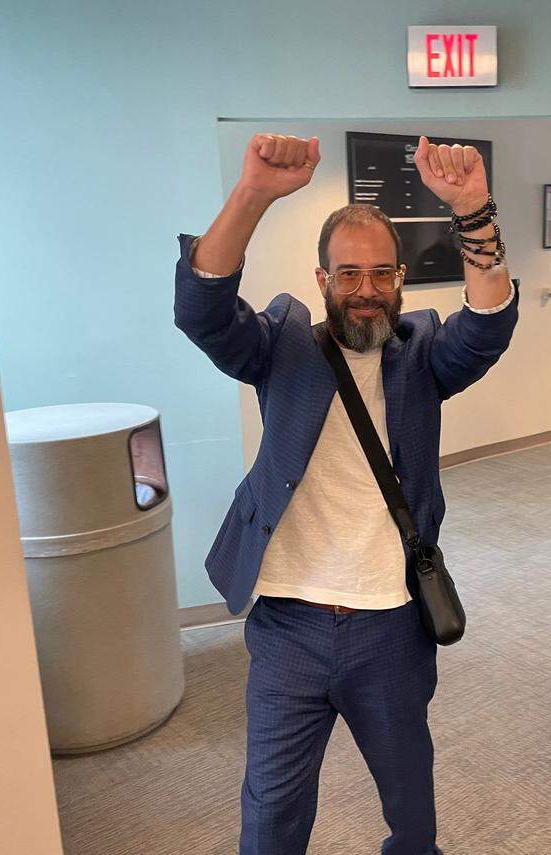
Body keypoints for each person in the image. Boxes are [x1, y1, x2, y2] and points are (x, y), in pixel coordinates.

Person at [174, 132, 517, 855]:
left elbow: (488, 327)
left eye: (381, 274)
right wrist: (254, 193)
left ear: (400, 279)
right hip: (288, 624)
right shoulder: (281, 343)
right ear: (322, 277)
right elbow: (203, 311)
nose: (367, 289)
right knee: (270, 814)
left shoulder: (422, 353)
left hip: (390, 625)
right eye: (349, 274)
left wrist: (474, 211)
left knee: (411, 813)